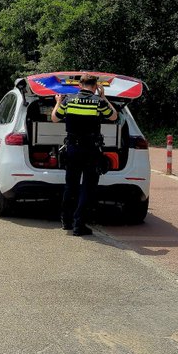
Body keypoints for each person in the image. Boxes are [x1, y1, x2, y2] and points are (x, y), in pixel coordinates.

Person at [51, 74, 118, 236]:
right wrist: (104, 97)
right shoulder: (99, 102)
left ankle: (66, 221)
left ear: (80, 85)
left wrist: (58, 102)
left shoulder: (69, 100)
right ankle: (78, 225)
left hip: (73, 149)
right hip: (91, 150)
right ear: (95, 86)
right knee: (87, 187)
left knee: (71, 185)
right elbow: (114, 116)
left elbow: (54, 118)